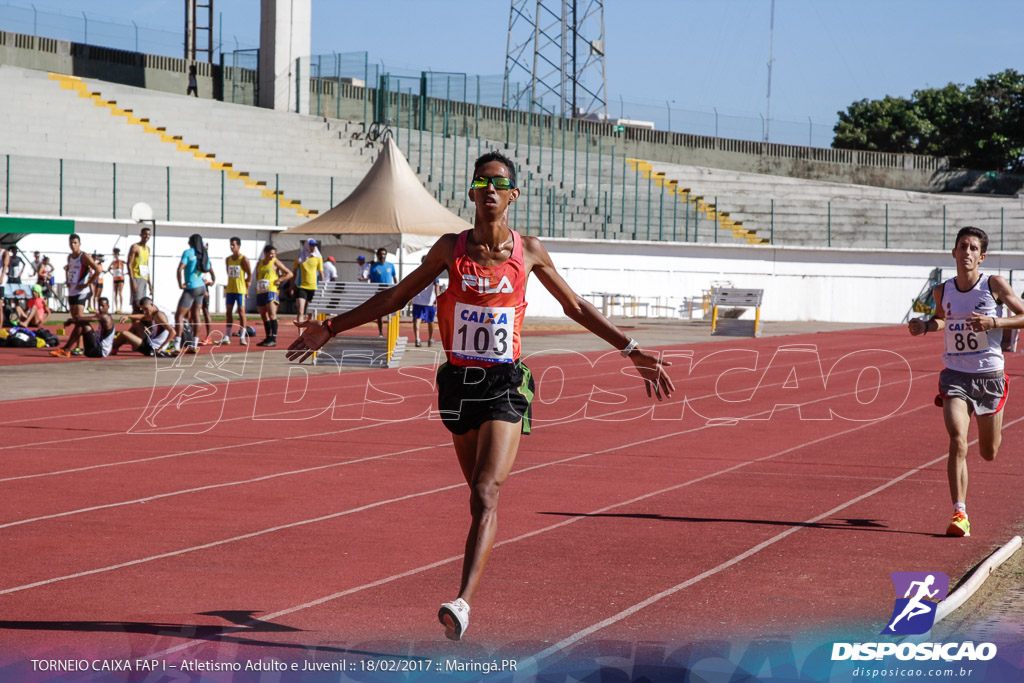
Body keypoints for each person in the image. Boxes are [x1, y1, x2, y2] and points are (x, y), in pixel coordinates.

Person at [287, 151, 674, 641]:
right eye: (481, 182)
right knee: (476, 495)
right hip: (456, 383)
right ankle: (467, 590)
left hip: (505, 383)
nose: (489, 189)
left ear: (513, 195)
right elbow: (395, 298)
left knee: (488, 491)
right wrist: (330, 327)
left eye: (499, 182)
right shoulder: (451, 248)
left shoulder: (528, 251)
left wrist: (631, 349)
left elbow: (573, 305)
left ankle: (463, 602)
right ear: (471, 193)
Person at [909, 226, 1024, 537]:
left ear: (981, 256)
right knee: (958, 439)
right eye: (963, 246)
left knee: (989, 451)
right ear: (954, 252)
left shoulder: (994, 285)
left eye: (974, 248)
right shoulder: (942, 290)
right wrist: (924, 326)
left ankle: (994, 423)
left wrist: (994, 321)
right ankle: (960, 513)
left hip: (989, 376)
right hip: (955, 375)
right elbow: (942, 318)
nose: (968, 252)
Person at [173, 234, 209, 351]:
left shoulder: (188, 252)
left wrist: (180, 284)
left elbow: (179, 269)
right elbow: (207, 268)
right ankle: (194, 344)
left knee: (179, 315)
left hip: (191, 287)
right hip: (201, 287)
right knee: (196, 315)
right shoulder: (204, 253)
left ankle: (177, 345)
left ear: (191, 242)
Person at [50, 296, 115, 358]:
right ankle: (66, 349)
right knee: (83, 324)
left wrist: (71, 320)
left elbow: (84, 319)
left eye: (103, 306)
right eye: (99, 306)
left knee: (83, 324)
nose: (100, 308)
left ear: (108, 306)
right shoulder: (102, 316)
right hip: (95, 349)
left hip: (100, 351)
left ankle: (66, 349)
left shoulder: (106, 317)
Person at [255, 244, 293, 347]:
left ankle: (273, 338)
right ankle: (268, 337)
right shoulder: (260, 263)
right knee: (263, 315)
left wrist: (280, 280)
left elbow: (289, 273)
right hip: (261, 292)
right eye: (271, 254)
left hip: (271, 290)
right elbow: (257, 276)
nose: (272, 256)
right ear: (265, 253)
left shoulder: (275, 262)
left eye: (274, 254)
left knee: (272, 314)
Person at [111, 297, 176, 356]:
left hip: (152, 348)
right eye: (143, 309)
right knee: (136, 323)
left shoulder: (159, 315)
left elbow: (173, 332)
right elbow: (144, 317)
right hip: (150, 341)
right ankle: (120, 345)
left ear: (152, 305)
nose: (145, 312)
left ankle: (111, 348)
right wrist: (128, 316)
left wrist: (161, 348)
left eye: (146, 309)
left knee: (124, 333)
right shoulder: (155, 311)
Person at [221, 236, 252, 345]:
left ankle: (243, 336)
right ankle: (227, 336)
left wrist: (247, 288)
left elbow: (249, 274)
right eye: (230, 244)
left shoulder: (244, 259)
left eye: (234, 245)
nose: (232, 247)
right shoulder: (228, 259)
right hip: (230, 289)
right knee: (228, 312)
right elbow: (228, 273)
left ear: (238, 246)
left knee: (241, 312)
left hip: (240, 289)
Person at [66, 234, 101, 320]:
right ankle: (83, 333)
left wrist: (87, 284)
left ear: (79, 244)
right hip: (72, 290)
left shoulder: (84, 256)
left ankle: (89, 332)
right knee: (74, 316)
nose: (73, 245)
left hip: (81, 290)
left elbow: (98, 270)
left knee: (79, 317)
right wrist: (67, 280)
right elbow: (68, 269)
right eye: (71, 243)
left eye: (75, 243)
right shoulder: (69, 257)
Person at [291, 238, 323, 324]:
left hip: (313, 287)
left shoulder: (318, 257)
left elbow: (321, 272)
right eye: (311, 245)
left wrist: (323, 286)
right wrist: (291, 286)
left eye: (314, 245)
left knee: (310, 313)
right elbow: (294, 272)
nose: (313, 247)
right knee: (300, 311)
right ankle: (300, 333)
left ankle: (309, 331)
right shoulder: (299, 257)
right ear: (307, 245)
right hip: (302, 287)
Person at [411, 259, 441, 348]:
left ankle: (417, 338)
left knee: (417, 319)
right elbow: (436, 285)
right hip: (429, 301)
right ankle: (430, 339)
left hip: (418, 300)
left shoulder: (417, 272)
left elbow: (411, 285)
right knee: (431, 320)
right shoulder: (434, 272)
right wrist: (437, 297)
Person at [369, 247, 397, 336]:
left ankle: (391, 333)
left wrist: (397, 288)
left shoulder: (390, 266)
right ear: (377, 255)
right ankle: (380, 332)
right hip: (379, 293)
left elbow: (394, 278)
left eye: (384, 254)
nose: (382, 256)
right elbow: (372, 281)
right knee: (379, 314)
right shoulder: (374, 267)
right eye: (381, 254)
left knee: (390, 313)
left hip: (389, 292)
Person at [127, 226, 152, 311]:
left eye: (148, 234)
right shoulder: (135, 247)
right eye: (145, 234)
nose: (146, 236)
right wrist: (132, 280)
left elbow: (146, 266)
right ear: (141, 235)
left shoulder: (148, 249)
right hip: (136, 277)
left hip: (144, 277)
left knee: (143, 303)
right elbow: (129, 264)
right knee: (136, 302)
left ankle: (140, 323)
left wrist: (150, 283)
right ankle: (135, 322)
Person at [107, 247, 127, 313]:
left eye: (116, 254)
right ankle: (116, 308)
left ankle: (121, 307)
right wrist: (112, 273)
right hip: (115, 278)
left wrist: (126, 273)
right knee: (115, 292)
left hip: (121, 278)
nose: (115, 255)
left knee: (120, 292)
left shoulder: (121, 261)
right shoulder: (113, 262)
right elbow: (108, 269)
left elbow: (128, 264)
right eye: (115, 254)